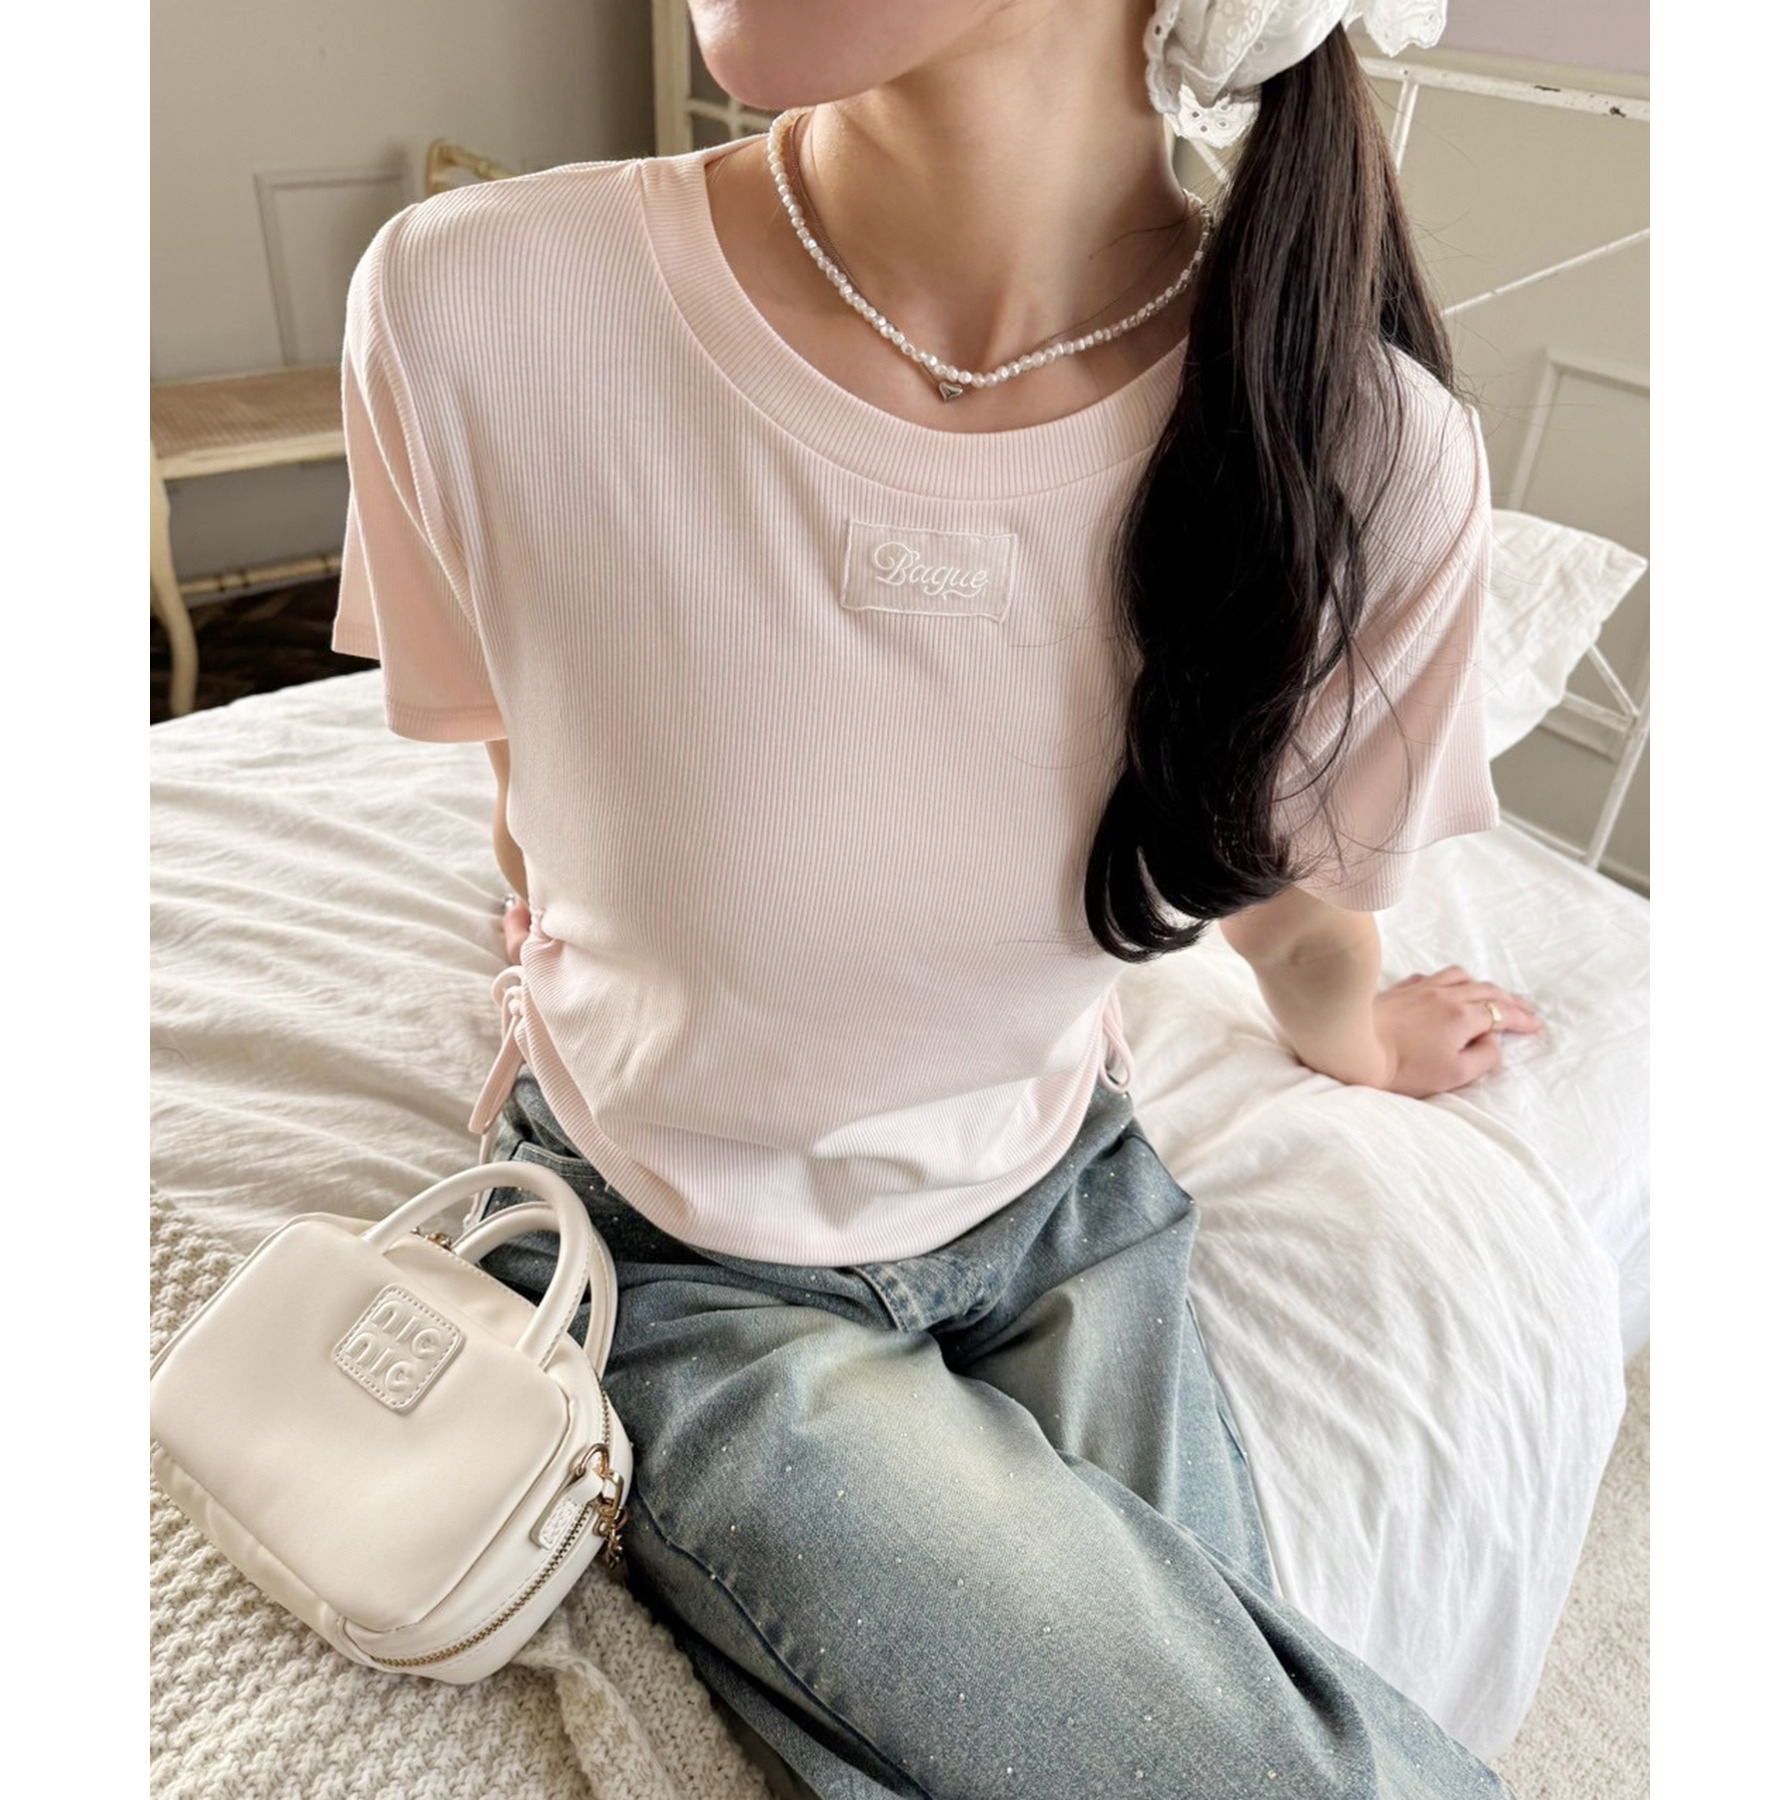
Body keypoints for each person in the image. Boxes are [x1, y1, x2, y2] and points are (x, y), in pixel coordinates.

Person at [331, 3, 1540, 1793]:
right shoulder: (476, 306)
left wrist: (1351, 1028)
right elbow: (531, 784)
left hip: (1068, 1200)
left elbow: (1267, 876)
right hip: (677, 1252)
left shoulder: (1362, 451)